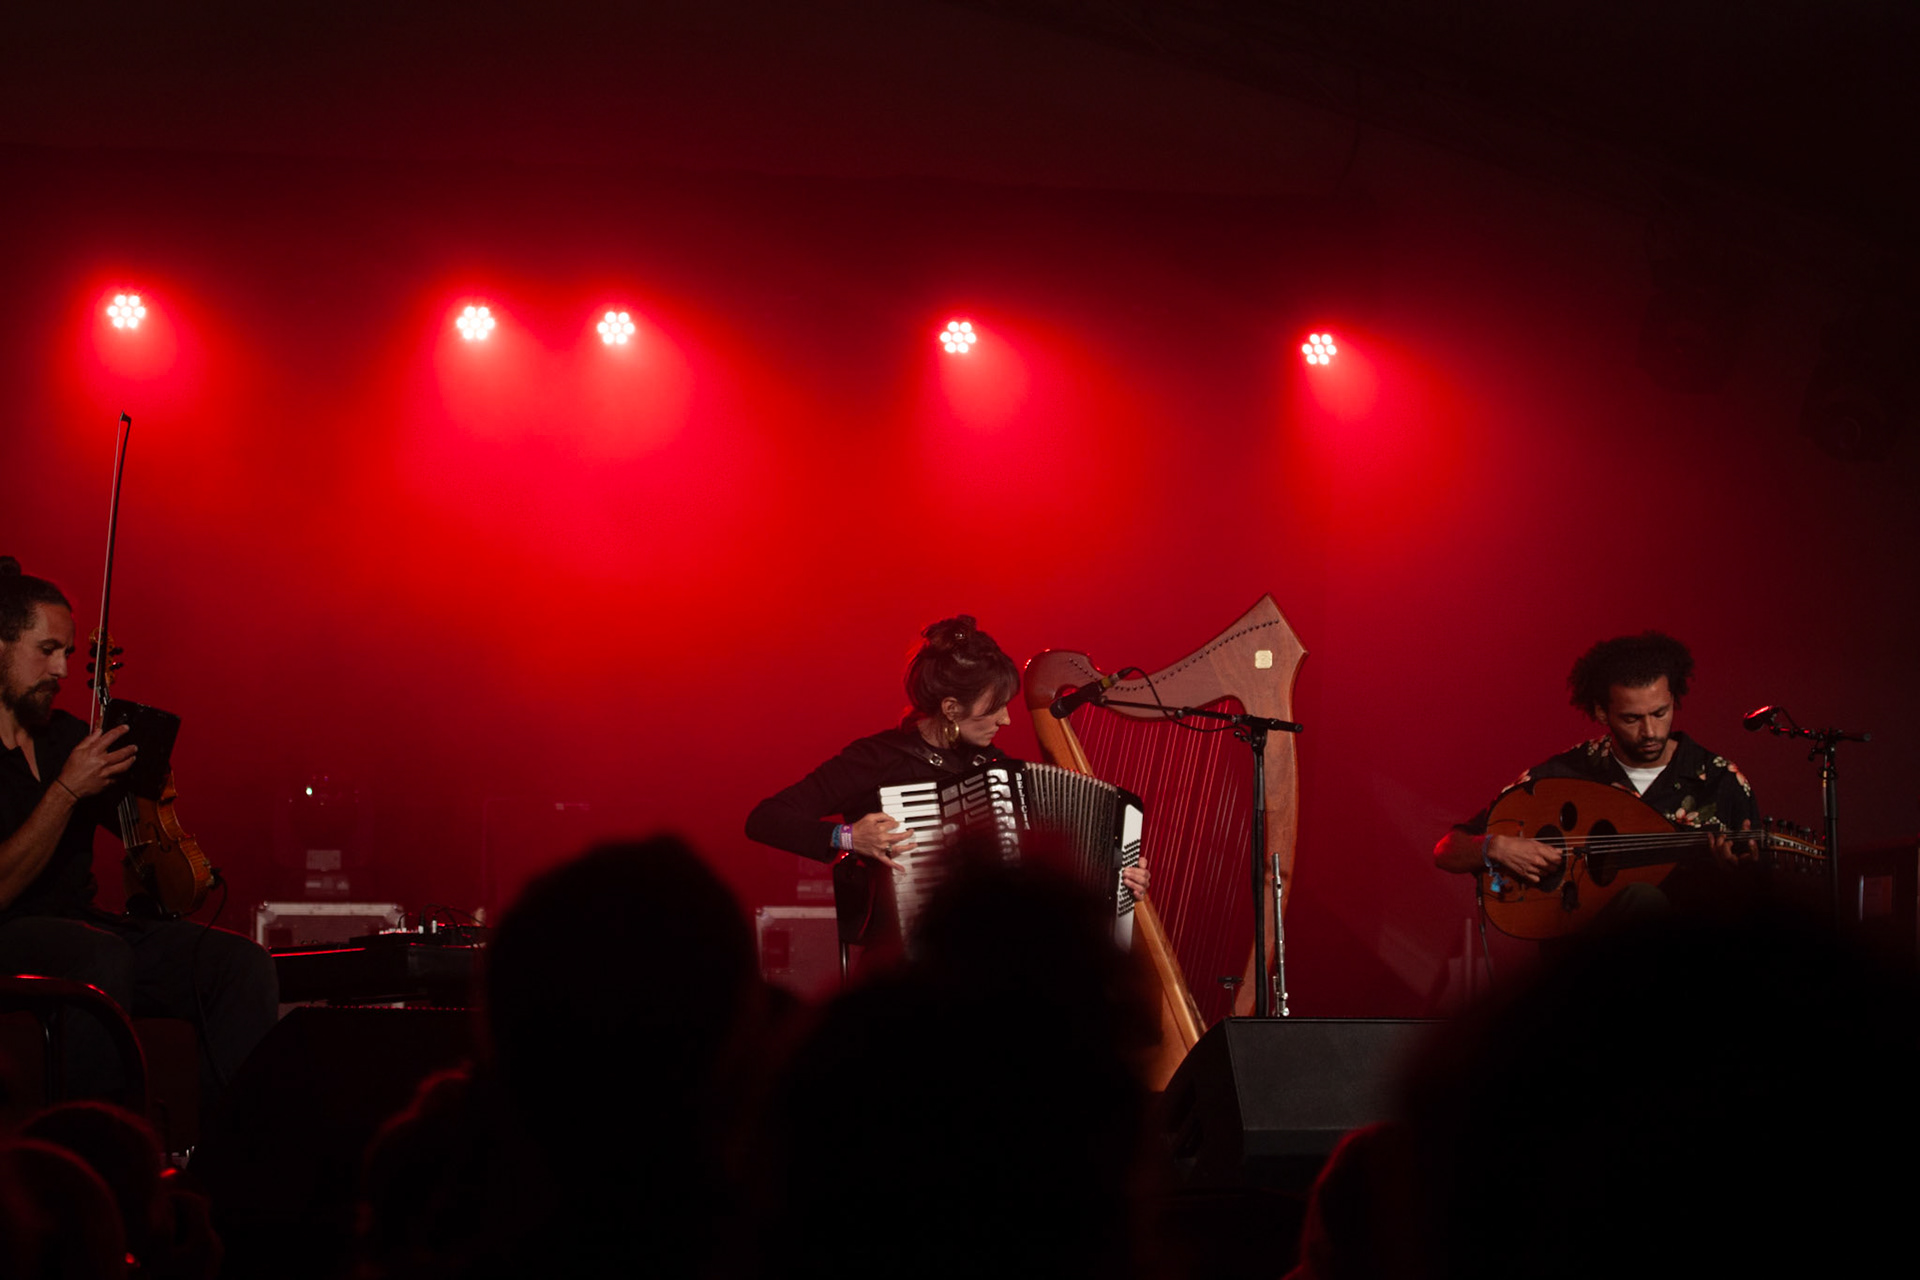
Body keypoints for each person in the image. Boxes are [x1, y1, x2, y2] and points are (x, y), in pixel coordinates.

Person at [0, 556, 277, 1103]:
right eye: (47, 651)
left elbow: (148, 856)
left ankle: (228, 1155)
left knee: (240, 964)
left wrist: (150, 789)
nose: (61, 671)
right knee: (100, 955)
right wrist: (67, 790)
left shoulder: (68, 737)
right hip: (10, 928)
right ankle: (100, 1145)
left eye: (69, 655)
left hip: (80, 922)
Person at [745, 614, 1147, 940]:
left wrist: (1113, 876)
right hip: (902, 964)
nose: (1007, 720)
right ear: (952, 708)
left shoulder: (996, 770)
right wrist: (847, 838)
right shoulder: (877, 758)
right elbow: (766, 819)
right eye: (995, 709)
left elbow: (1034, 878)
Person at [1433, 630, 1756, 910]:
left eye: (1660, 713)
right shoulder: (1564, 774)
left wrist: (1736, 875)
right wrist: (1495, 847)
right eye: (1632, 718)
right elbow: (1447, 849)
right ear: (1602, 712)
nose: (1650, 731)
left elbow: (1762, 901)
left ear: (1674, 699)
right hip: (1589, 957)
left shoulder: (1718, 780)